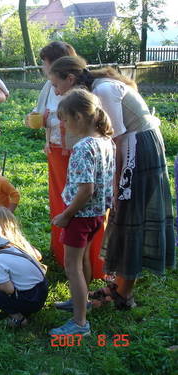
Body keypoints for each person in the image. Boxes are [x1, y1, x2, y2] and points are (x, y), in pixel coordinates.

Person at [49, 56, 175, 311]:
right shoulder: (98, 88)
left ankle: (123, 293)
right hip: (133, 147)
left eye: (56, 84)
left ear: (70, 79)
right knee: (125, 215)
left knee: (130, 215)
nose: (55, 90)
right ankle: (119, 286)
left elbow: (115, 139)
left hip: (138, 150)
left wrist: (116, 187)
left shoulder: (102, 91)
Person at [25, 42, 102, 277]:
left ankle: (92, 262)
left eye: (45, 61)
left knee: (81, 204)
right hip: (57, 150)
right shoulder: (51, 85)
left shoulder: (83, 90)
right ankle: (63, 255)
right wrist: (36, 120)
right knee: (61, 201)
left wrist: (55, 121)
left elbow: (85, 119)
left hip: (77, 151)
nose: (42, 66)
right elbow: (41, 112)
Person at [48, 89, 115, 336]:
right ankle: (82, 302)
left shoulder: (83, 147)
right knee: (83, 259)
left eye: (64, 120)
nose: (63, 125)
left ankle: (79, 323)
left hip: (80, 216)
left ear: (78, 116)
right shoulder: (105, 141)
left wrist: (67, 215)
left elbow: (86, 189)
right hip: (97, 215)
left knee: (72, 266)